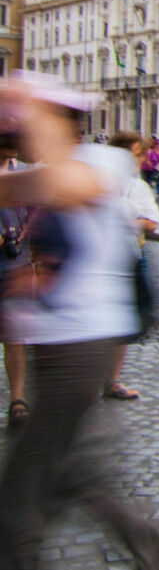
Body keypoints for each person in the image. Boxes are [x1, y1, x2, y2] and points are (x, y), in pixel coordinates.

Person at [0, 79, 159, 570]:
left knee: (20, 502)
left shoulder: (99, 165)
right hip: (54, 347)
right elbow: (14, 188)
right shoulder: (51, 170)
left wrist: (24, 101)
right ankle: (153, 555)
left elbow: (68, 187)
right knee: (81, 480)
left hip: (78, 350)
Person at [104, 130, 159, 402]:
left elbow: (150, 222)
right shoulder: (94, 177)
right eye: (138, 153)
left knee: (123, 320)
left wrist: (114, 214)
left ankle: (112, 380)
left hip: (128, 256)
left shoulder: (137, 185)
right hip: (99, 258)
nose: (142, 158)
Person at [0, 133, 29, 433]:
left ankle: (17, 398)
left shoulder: (24, 174)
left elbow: (36, 214)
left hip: (14, 264)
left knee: (16, 335)